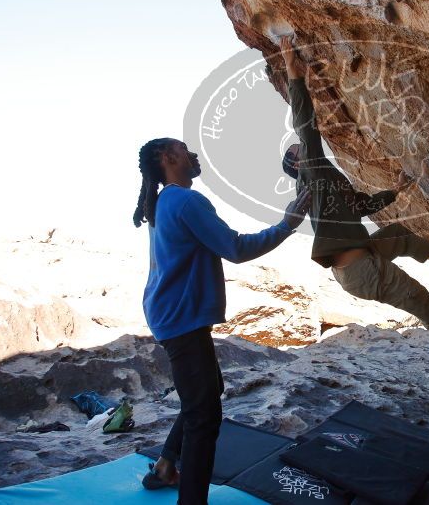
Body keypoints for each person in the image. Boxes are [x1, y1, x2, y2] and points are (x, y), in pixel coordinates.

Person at [132, 137, 311, 504]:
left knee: (205, 395)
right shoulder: (184, 199)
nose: (193, 155)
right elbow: (236, 248)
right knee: (204, 418)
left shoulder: (164, 201)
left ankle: (165, 466)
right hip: (179, 318)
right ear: (167, 158)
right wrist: (287, 224)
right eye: (184, 150)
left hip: (171, 314)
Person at [278, 35, 429, 349]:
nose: (306, 148)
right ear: (298, 163)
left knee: (398, 234)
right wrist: (293, 72)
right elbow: (305, 126)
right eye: (298, 151)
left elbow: (360, 206)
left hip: (363, 254)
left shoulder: (328, 181)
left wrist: (393, 191)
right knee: (415, 294)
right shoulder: (311, 176)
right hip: (360, 271)